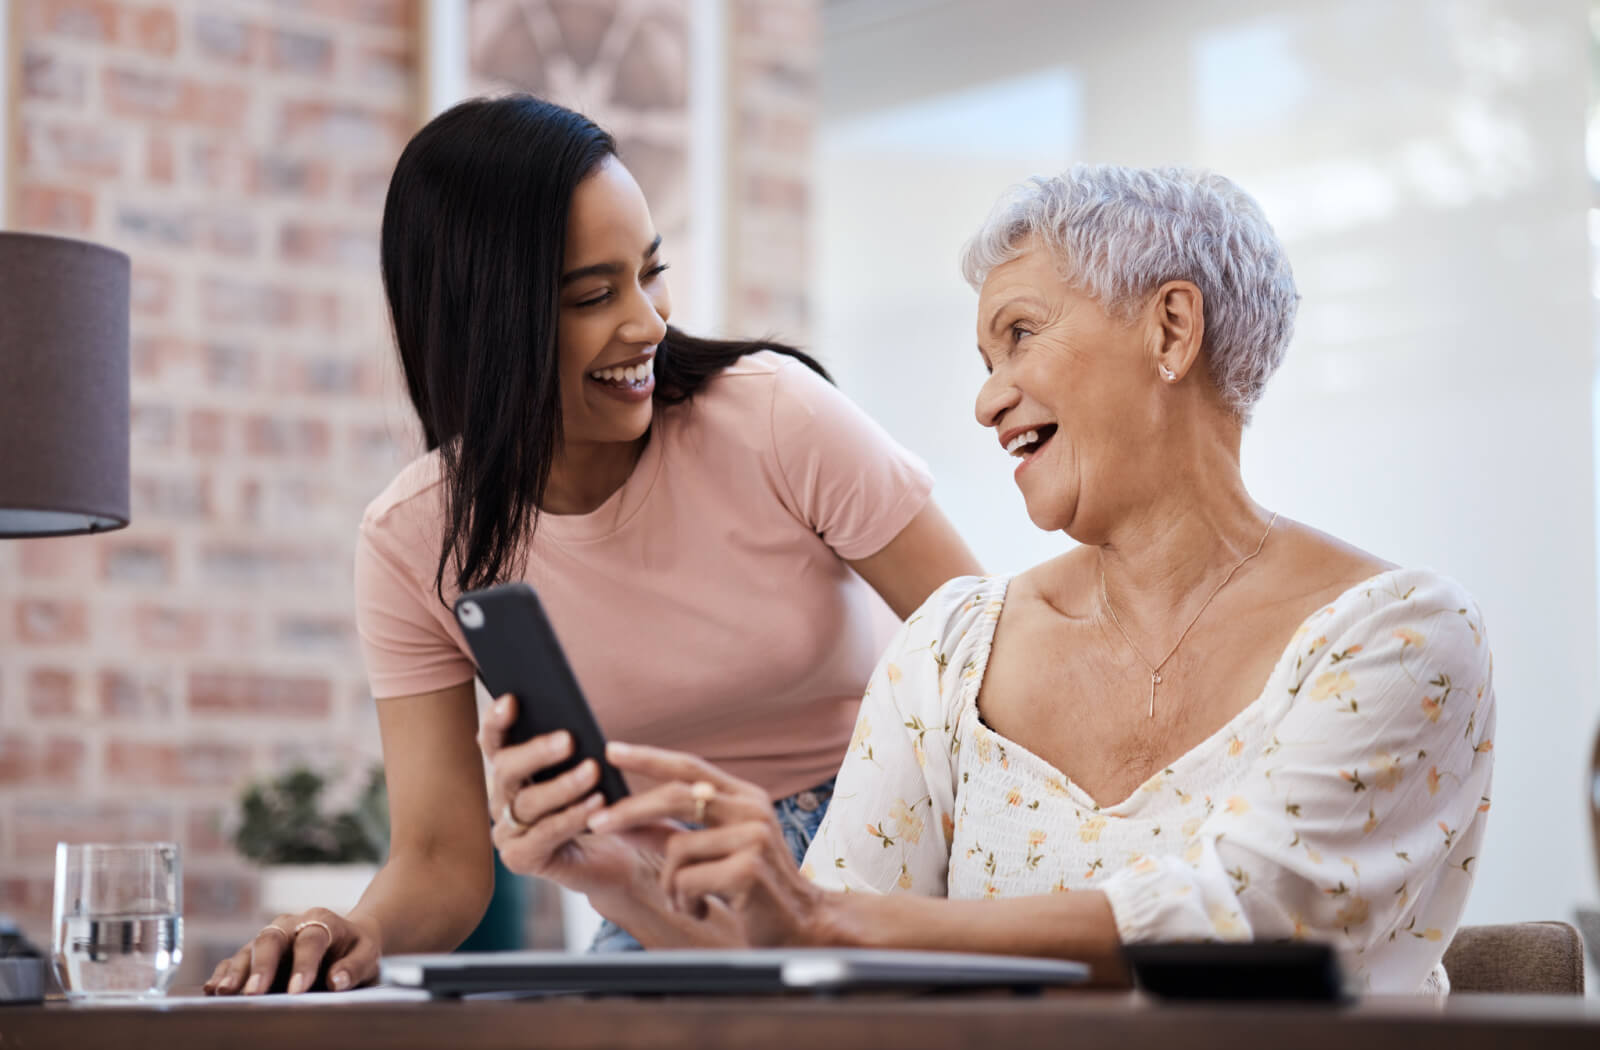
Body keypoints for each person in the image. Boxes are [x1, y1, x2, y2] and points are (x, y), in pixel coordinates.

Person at [578, 165, 1496, 995]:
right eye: (985, 364)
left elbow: (1246, 916)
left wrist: (825, 917)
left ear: (1171, 329)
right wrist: (620, 878)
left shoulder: (1400, 636)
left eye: (1019, 335)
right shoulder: (948, 648)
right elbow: (825, 967)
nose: (987, 400)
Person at [203, 96, 980, 996]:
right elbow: (440, 856)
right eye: (592, 296)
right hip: (663, 890)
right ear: (482, 322)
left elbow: (998, 661)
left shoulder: (775, 415)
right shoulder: (413, 539)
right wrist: (350, 931)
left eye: (650, 272)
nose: (649, 322)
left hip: (886, 841)